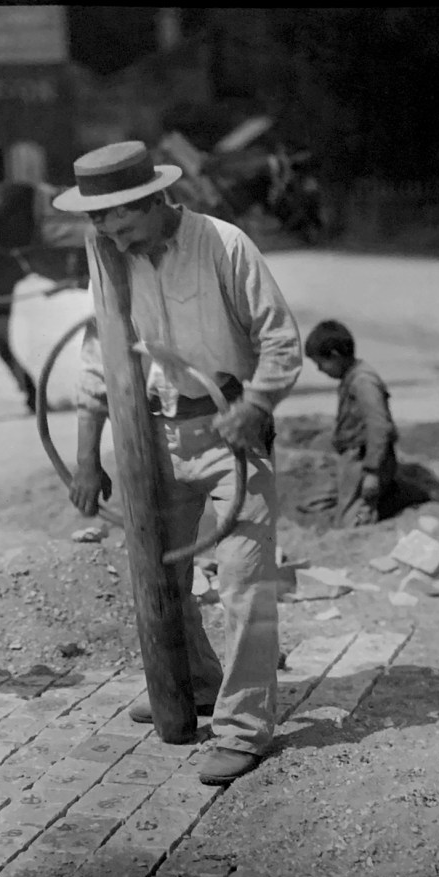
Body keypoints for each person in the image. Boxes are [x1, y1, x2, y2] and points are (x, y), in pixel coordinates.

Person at [52, 141, 302, 785]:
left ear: (155, 199)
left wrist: (256, 404)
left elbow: (279, 340)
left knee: (245, 580)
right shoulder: (109, 258)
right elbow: (97, 357)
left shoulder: (223, 244)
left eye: (117, 215)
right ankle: (189, 686)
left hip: (233, 440)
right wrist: (88, 457)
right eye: (97, 218)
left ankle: (244, 728)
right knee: (162, 576)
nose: (106, 228)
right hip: (154, 439)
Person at [304, 319, 398, 527]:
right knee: (327, 500)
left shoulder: (363, 381)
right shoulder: (352, 377)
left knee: (351, 520)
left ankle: (364, 519)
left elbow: (379, 425)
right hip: (354, 458)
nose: (319, 370)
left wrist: (372, 471)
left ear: (335, 355)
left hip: (365, 459)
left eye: (320, 363)